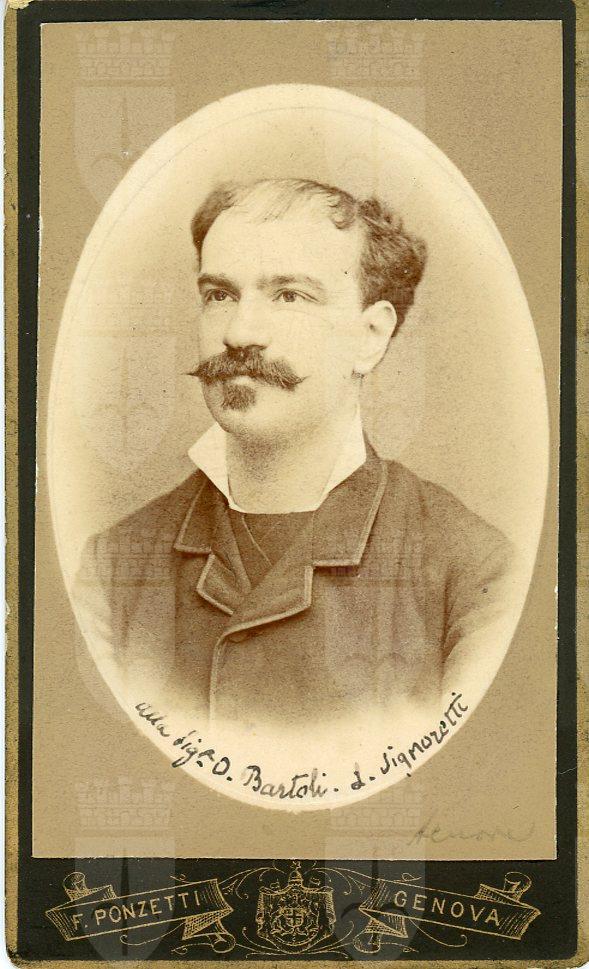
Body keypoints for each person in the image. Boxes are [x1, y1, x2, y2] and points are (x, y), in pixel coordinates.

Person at [74, 177, 515, 734]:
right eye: (220, 295)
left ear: (371, 336)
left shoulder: (473, 570)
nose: (240, 333)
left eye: (290, 296)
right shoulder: (113, 568)